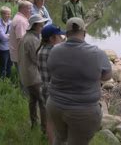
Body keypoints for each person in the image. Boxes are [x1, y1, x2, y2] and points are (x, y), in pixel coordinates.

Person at [46, 17, 112, 145]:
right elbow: (107, 76)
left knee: (59, 138)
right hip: (83, 111)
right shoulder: (97, 53)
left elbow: (51, 70)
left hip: (55, 106)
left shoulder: (54, 50)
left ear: (66, 33)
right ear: (84, 33)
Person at [18, 14, 49, 133]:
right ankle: (44, 129)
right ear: (36, 26)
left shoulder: (26, 37)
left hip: (26, 75)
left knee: (33, 100)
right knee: (43, 102)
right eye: (42, 24)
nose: (43, 26)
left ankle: (34, 124)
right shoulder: (32, 40)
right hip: (33, 76)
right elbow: (37, 59)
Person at [37, 24, 65, 145]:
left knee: (50, 121)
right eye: (59, 36)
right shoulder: (55, 52)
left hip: (44, 88)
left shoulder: (40, 50)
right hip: (56, 91)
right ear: (52, 38)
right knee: (60, 122)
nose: (62, 38)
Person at [9, 0, 33, 75]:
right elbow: (21, 40)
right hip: (21, 56)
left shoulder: (19, 18)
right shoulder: (20, 21)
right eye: (30, 9)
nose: (31, 11)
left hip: (18, 55)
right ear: (23, 9)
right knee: (25, 79)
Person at [0, 6, 12, 79]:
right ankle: (2, 80)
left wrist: (8, 35)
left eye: (9, 14)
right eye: (6, 14)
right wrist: (10, 35)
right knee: (3, 65)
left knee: (10, 64)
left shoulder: (11, 22)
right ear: (1, 14)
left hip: (10, 47)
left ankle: (9, 79)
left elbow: (14, 34)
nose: (8, 15)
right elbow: (3, 38)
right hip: (3, 48)